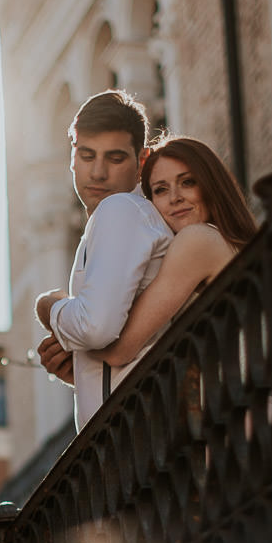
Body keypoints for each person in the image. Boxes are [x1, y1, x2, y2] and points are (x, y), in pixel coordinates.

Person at [37, 135, 254, 418]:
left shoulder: (198, 241)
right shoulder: (232, 247)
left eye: (188, 182)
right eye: (161, 190)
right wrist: (79, 374)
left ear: (211, 186)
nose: (175, 197)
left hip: (238, 420)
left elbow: (117, 350)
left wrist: (50, 306)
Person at [31, 91, 168, 429]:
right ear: (72, 157)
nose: (98, 172)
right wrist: (79, 369)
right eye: (87, 155)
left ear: (142, 161)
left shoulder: (120, 209)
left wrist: (49, 306)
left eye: (116, 158)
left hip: (140, 448)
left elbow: (95, 327)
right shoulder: (124, 219)